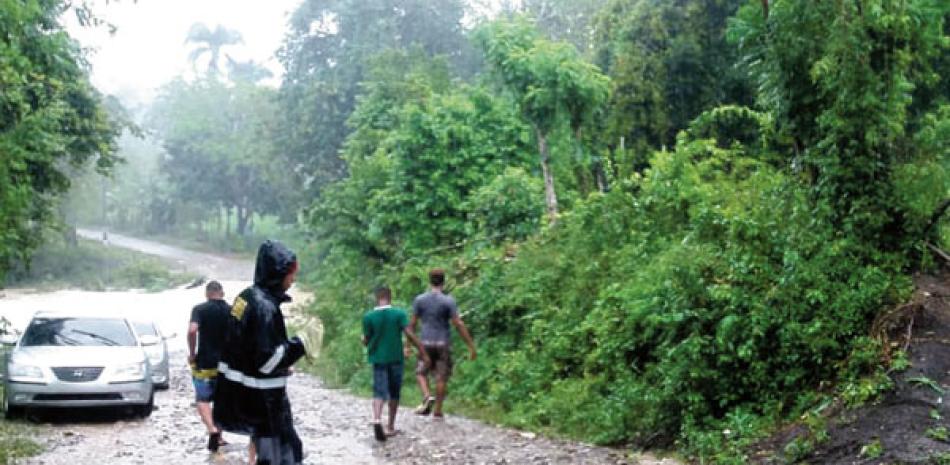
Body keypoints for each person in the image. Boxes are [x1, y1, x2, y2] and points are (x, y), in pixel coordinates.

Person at [213, 240, 308, 465]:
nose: (293, 279)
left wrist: (283, 362)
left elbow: (246, 347)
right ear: (278, 272)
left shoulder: (245, 297)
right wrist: (300, 344)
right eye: (290, 274)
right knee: (284, 456)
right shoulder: (265, 307)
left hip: (246, 400)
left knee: (276, 452)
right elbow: (267, 361)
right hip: (266, 405)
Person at [362, 286, 430, 441]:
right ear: (390, 298)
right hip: (395, 358)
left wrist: (364, 341)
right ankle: (390, 426)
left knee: (379, 391)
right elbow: (409, 334)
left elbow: (367, 340)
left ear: (376, 298)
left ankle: (377, 419)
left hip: (378, 359)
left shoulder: (369, 317)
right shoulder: (399, 314)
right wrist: (422, 351)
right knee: (394, 392)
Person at [408, 268, 477, 419]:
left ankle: (427, 396)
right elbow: (458, 323)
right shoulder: (448, 301)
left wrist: (407, 346)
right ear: (444, 281)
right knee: (441, 377)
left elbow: (412, 324)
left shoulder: (420, 300)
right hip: (442, 342)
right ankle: (438, 410)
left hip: (425, 342)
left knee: (420, 372)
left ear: (429, 281)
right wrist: (470, 345)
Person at [187, 280, 231, 452]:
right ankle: (219, 436)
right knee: (222, 400)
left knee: (203, 399)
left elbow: (192, 330)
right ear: (222, 293)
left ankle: (211, 429)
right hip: (227, 364)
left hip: (205, 362)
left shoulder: (199, 309)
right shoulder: (232, 310)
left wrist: (192, 353)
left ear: (207, 294)